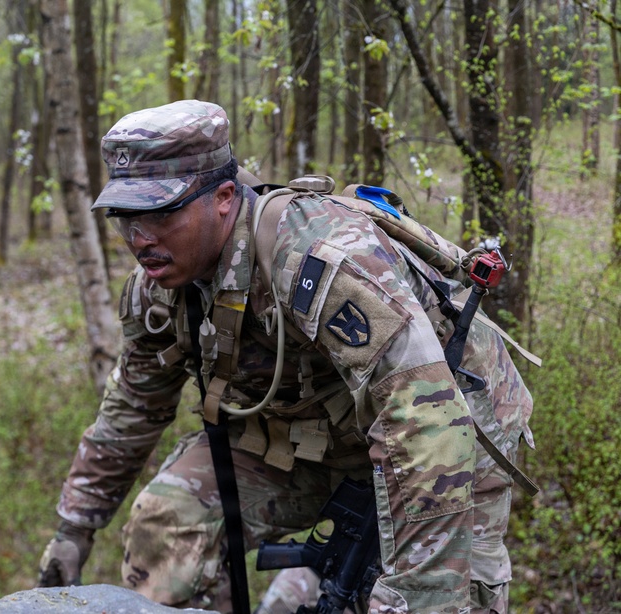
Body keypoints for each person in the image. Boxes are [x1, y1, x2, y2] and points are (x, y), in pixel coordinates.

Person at [36, 99, 535, 614]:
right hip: (312, 436)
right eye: (125, 218)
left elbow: (427, 422)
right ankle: (303, 583)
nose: (140, 240)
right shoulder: (158, 291)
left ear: (225, 197)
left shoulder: (318, 259)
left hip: (449, 429)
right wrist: (76, 528)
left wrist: (416, 596)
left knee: (440, 598)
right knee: (170, 520)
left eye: (161, 214)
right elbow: (133, 408)